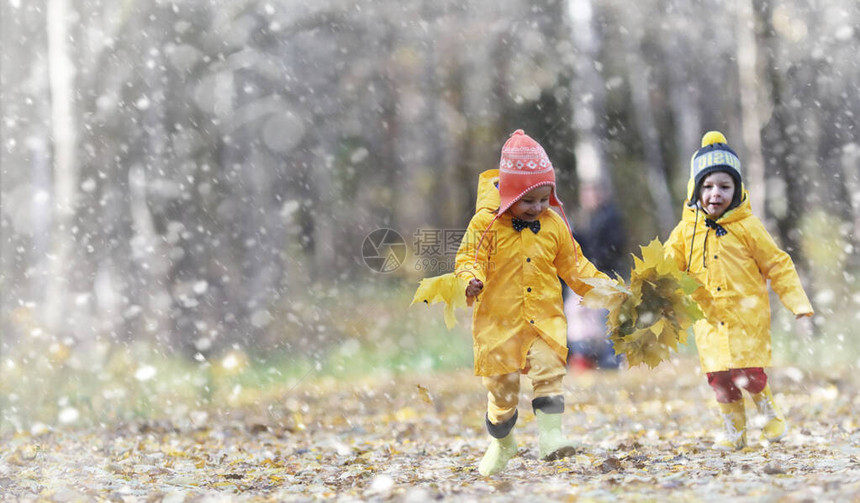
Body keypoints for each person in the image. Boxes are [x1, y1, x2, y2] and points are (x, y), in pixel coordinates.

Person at [454, 130, 619, 475]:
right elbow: (468, 257)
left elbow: (576, 266)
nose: (538, 207)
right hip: (498, 323)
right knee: (501, 390)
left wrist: (605, 289)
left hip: (544, 320)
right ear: (511, 193)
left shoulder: (554, 225)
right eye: (529, 200)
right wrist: (469, 280)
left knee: (549, 372)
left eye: (545, 199)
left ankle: (551, 437)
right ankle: (502, 441)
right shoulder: (485, 224)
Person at [664, 131, 814, 450]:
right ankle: (735, 433)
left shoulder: (749, 227)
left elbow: (778, 264)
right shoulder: (684, 233)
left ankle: (769, 413)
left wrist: (796, 301)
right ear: (695, 190)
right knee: (719, 379)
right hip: (709, 320)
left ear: (738, 189)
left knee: (749, 372)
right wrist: (648, 293)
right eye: (707, 186)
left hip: (746, 316)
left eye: (724, 186)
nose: (715, 194)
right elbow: (664, 268)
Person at [565, 179, 627, 371]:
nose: (587, 198)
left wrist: (593, 264)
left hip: (606, 275)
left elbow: (612, 248)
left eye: (591, 193)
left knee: (606, 319)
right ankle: (589, 357)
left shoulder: (610, 218)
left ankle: (610, 359)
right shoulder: (591, 218)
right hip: (595, 275)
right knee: (589, 319)